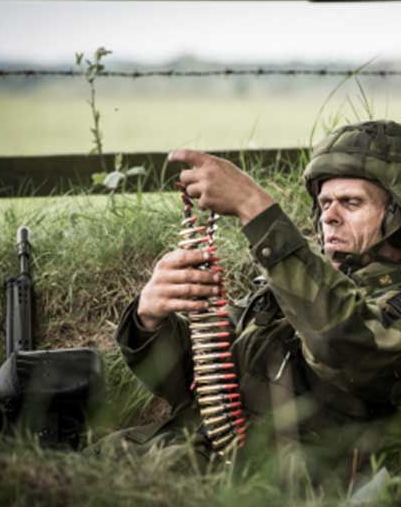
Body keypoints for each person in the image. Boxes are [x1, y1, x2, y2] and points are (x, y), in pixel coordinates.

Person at [112, 120, 401, 486]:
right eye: (325, 202)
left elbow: (345, 345)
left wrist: (254, 206)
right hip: (169, 457)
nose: (329, 215)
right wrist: (150, 319)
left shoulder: (337, 297)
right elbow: (205, 380)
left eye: (351, 202)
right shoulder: (297, 285)